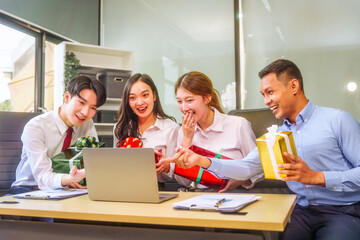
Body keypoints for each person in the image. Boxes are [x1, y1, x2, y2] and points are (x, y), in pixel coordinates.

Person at [168, 59, 360, 240]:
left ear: (293, 86)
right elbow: (246, 168)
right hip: (301, 212)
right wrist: (201, 160)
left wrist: (316, 177)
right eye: (263, 95)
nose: (266, 101)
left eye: (270, 92)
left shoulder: (337, 120)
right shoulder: (275, 136)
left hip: (343, 210)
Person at [9, 75, 107, 194]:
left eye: (93, 108)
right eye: (81, 102)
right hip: (29, 189)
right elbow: (43, 177)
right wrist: (68, 179)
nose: (85, 113)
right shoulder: (36, 127)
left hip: (69, 189)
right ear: (67, 97)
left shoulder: (87, 124)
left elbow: (93, 161)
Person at [172, 71, 259, 192]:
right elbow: (183, 181)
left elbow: (258, 168)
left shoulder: (238, 125)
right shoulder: (183, 131)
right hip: (199, 196)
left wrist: (241, 179)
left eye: (189, 100)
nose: (184, 108)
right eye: (179, 101)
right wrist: (187, 140)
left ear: (207, 98)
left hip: (236, 194)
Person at [113, 73, 179, 183]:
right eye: (132, 98)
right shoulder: (120, 127)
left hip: (159, 189)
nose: (139, 103)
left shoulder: (171, 128)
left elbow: (173, 177)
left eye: (145, 95)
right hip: (126, 187)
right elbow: (115, 166)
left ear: (154, 96)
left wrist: (165, 167)